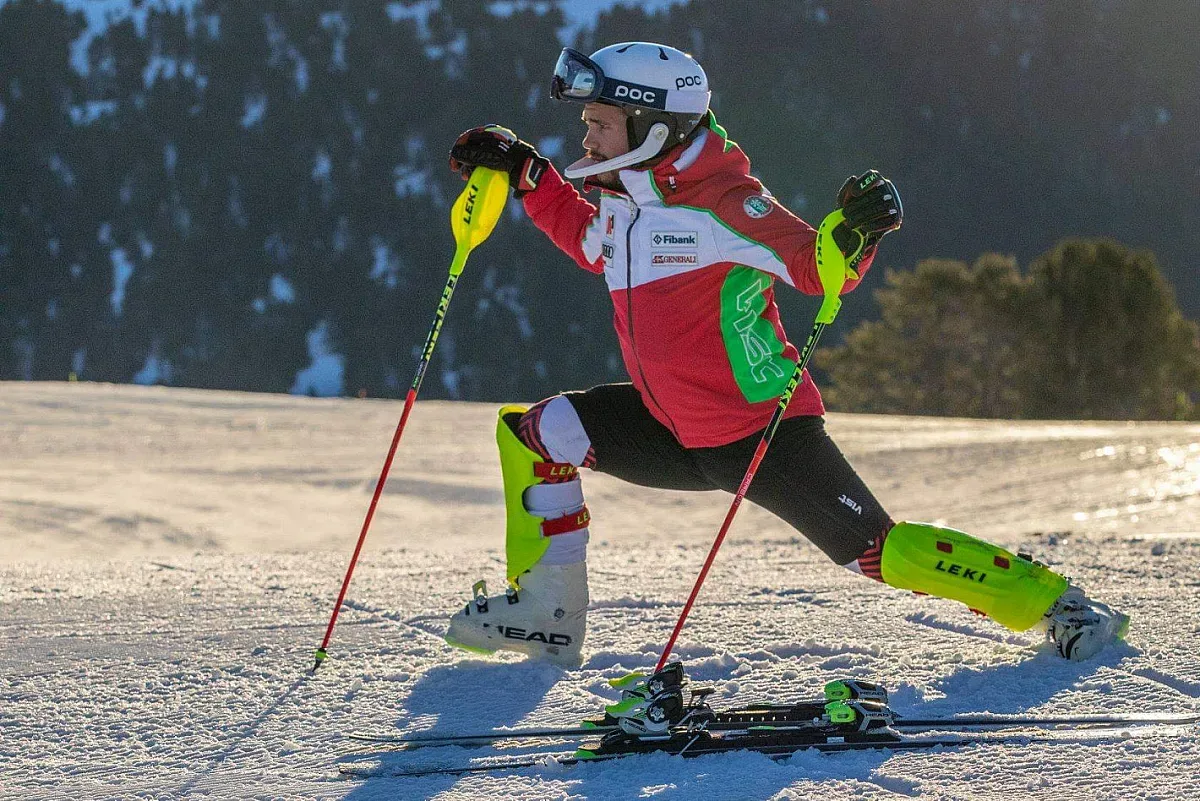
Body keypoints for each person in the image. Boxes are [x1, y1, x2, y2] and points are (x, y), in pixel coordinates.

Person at [441, 42, 1128, 668]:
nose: (585, 135)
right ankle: (547, 615)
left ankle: (1054, 603)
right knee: (533, 434)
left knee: (875, 550)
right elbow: (593, 244)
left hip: (760, 432)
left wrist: (855, 230)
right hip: (671, 426)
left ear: (652, 130)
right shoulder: (626, 197)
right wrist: (531, 177)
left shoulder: (726, 205)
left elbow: (817, 266)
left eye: (599, 121)